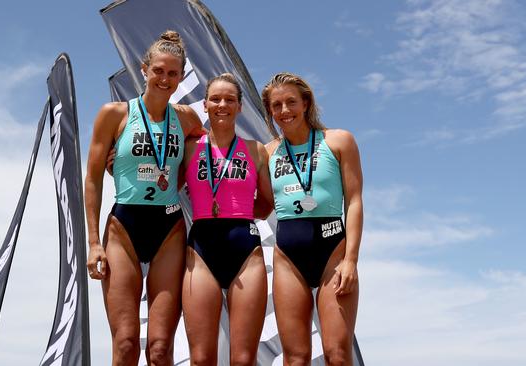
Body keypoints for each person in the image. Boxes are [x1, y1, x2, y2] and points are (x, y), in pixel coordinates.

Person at [84, 30, 204, 366]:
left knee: (161, 348)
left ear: (180, 76)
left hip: (169, 228)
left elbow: (204, 152)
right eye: (159, 71)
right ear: (144, 69)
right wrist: (94, 242)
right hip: (124, 227)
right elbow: (92, 178)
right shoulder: (114, 114)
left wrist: (180, 176)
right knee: (125, 345)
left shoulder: (186, 119)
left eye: (173, 73)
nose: (165, 79)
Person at [262, 72, 363, 366]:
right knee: (295, 357)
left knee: (337, 354)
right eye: (276, 105)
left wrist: (351, 260)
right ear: (269, 110)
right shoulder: (268, 152)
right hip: (288, 257)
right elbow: (256, 202)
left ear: (305, 103)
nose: (284, 111)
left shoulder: (339, 141)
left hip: (333, 253)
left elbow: (354, 202)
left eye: (291, 102)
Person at [181, 73, 274, 366]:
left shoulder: (256, 150)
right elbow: (163, 185)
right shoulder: (190, 147)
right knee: (201, 358)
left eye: (230, 100)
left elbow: (268, 204)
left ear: (239, 107)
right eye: (216, 99)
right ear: (205, 105)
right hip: (201, 248)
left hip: (244, 248)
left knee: (244, 359)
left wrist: (239, 211)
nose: (223, 104)